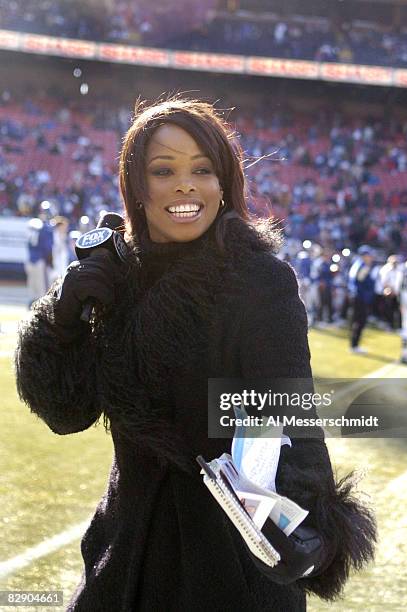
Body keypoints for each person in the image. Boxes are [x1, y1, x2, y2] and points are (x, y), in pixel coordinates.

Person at [15, 97, 376, 612]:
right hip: (123, 555)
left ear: (225, 182)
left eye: (202, 169)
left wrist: (311, 528)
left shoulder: (259, 282)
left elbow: (290, 411)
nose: (186, 185)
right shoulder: (116, 280)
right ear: (136, 188)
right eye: (164, 170)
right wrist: (64, 320)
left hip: (231, 564)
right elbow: (67, 414)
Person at [348, 245, 378, 354]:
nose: (371, 257)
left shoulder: (358, 264)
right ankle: (354, 345)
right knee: (359, 321)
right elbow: (362, 283)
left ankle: (354, 345)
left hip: (358, 296)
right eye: (369, 255)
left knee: (357, 321)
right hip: (360, 297)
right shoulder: (362, 266)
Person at [24, 209, 54, 307]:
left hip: (30, 259)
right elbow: (47, 247)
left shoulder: (32, 225)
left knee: (32, 288)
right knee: (42, 290)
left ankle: (31, 307)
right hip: (40, 261)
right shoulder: (45, 228)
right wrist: (50, 261)